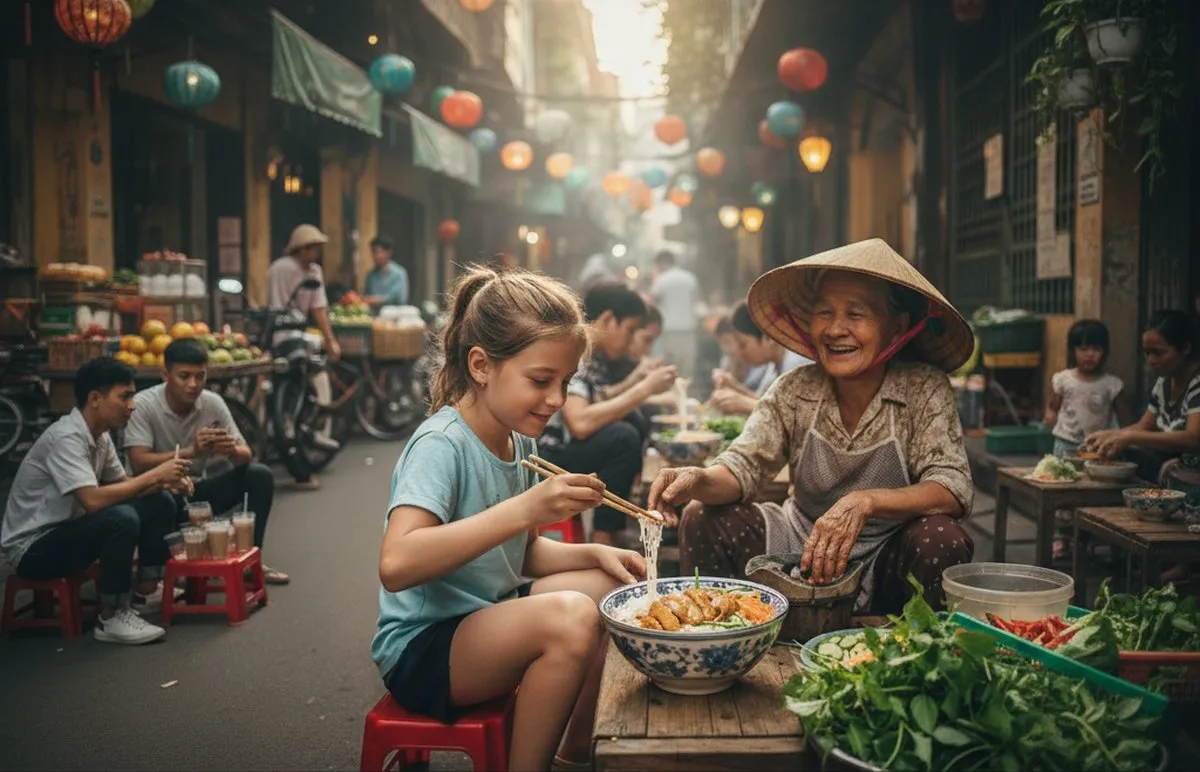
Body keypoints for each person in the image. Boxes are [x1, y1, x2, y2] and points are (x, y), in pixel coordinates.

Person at [372, 265, 646, 771]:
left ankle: (574, 755)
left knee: (612, 593)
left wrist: (597, 552)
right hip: (425, 648)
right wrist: (526, 507)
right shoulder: (442, 444)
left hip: (486, 613)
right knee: (570, 619)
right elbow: (398, 562)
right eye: (541, 380)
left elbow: (522, 553)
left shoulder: (517, 438)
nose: (557, 400)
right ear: (481, 365)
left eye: (564, 382)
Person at [648, 239, 977, 613]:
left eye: (856, 314)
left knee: (941, 538)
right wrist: (699, 479)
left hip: (890, 552)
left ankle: (916, 658)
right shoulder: (795, 388)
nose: (836, 329)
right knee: (701, 516)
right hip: (798, 542)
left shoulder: (923, 388)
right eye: (825, 313)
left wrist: (866, 502)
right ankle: (719, 646)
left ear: (896, 326)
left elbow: (952, 487)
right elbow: (744, 466)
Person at [0, 357, 191, 644]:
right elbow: (92, 500)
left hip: (67, 531)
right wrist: (154, 476)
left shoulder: (99, 437)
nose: (132, 405)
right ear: (95, 399)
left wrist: (165, 482)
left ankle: (147, 589)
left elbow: (125, 486)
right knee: (120, 519)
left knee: (160, 501)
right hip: (33, 549)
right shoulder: (66, 438)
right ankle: (112, 615)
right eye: (124, 396)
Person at [124, 340, 289, 585]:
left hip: (198, 491)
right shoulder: (144, 405)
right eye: (184, 376)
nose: (193, 384)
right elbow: (138, 462)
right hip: (161, 491)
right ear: (165, 375)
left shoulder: (212, 402)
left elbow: (246, 454)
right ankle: (156, 579)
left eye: (200, 376)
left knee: (259, 475)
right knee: (161, 498)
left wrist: (230, 450)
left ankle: (250, 560)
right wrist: (193, 451)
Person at [539, 282, 677, 546]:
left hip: (564, 449)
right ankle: (603, 539)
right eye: (629, 329)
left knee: (631, 420)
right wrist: (644, 388)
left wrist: (640, 384)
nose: (629, 339)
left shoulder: (594, 357)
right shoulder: (576, 349)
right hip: (547, 456)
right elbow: (580, 422)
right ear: (607, 319)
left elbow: (600, 399)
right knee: (623, 437)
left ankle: (612, 529)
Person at [1087, 309, 1200, 518]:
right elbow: (1143, 426)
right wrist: (1110, 435)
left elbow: (1193, 438)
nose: (1151, 360)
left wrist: (1129, 437)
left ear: (1185, 348)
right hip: (1169, 462)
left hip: (1191, 467)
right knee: (1120, 456)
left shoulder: (1197, 384)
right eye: (1147, 353)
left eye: (1158, 353)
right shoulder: (1163, 383)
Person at [1044, 319, 1127, 560]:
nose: (1090, 355)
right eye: (1083, 349)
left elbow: (1125, 419)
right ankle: (1061, 537)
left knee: (1092, 495)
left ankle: (1087, 538)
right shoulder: (1063, 380)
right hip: (1065, 444)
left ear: (1105, 351)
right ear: (1073, 351)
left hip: (1097, 450)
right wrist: (1049, 417)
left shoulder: (1112, 385)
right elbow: (1053, 407)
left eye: (1096, 349)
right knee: (1064, 494)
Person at [268, 223, 341, 465]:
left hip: (274, 336)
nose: (317, 254)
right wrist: (331, 341)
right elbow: (318, 310)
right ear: (303, 249)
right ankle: (320, 431)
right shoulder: (311, 272)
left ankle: (276, 423)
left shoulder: (276, 267)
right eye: (314, 249)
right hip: (296, 336)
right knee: (320, 376)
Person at [709, 301, 813, 415]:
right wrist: (735, 387)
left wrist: (744, 403)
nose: (740, 352)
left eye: (743, 344)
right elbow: (765, 402)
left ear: (768, 338)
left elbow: (796, 417)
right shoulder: (773, 365)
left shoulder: (797, 364)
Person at [649, 251, 701, 381]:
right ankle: (685, 396)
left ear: (662, 263)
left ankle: (670, 397)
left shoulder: (661, 280)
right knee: (686, 370)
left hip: (668, 331)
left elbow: (652, 303)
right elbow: (696, 301)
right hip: (688, 330)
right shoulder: (690, 278)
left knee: (669, 369)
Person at [363, 234, 409, 308]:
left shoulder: (399, 273)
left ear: (389, 252)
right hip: (374, 316)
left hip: (394, 315)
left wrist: (376, 300)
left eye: (379, 251)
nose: (376, 255)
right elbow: (366, 296)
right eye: (374, 252)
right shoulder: (371, 275)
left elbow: (399, 298)